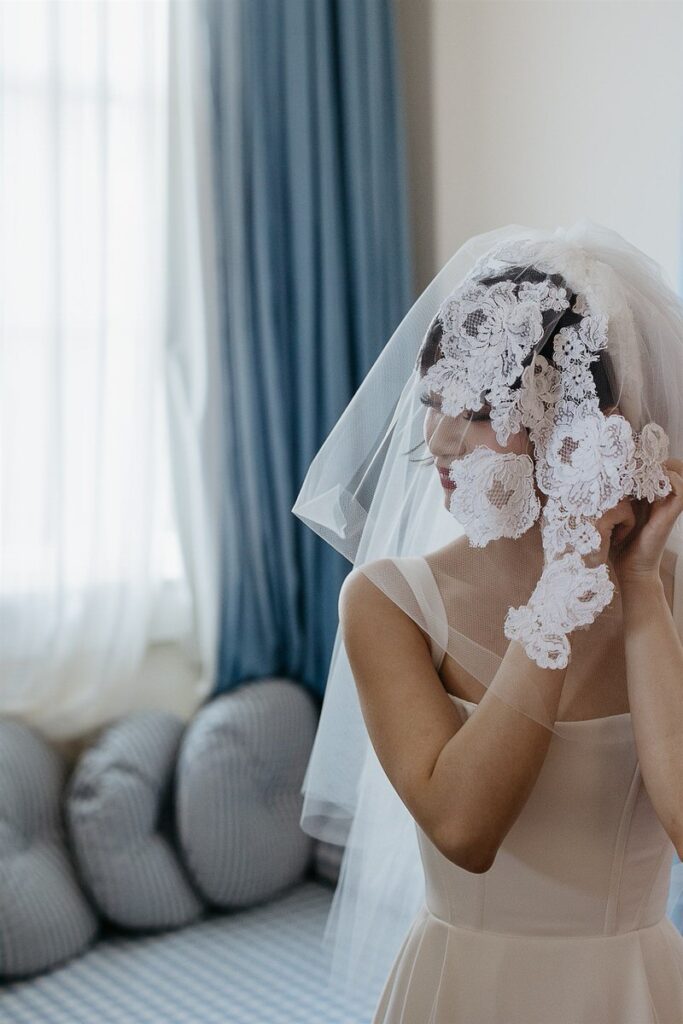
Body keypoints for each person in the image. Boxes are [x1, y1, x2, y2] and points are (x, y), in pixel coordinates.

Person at [292, 221, 683, 1022]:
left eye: (472, 410)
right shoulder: (387, 601)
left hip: (633, 995)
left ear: (574, 424)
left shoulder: (666, 593)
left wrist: (634, 581)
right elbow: (464, 831)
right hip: (467, 991)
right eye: (432, 401)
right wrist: (566, 584)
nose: (435, 438)